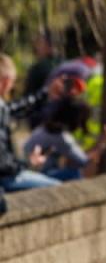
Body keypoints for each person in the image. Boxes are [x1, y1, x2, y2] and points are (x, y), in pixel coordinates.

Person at [0, 54, 65, 191]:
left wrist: (45, 94)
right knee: (60, 190)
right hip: (6, 179)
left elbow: (14, 108)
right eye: (13, 82)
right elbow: (3, 165)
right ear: (6, 81)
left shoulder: (2, 107)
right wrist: (29, 163)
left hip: (8, 175)